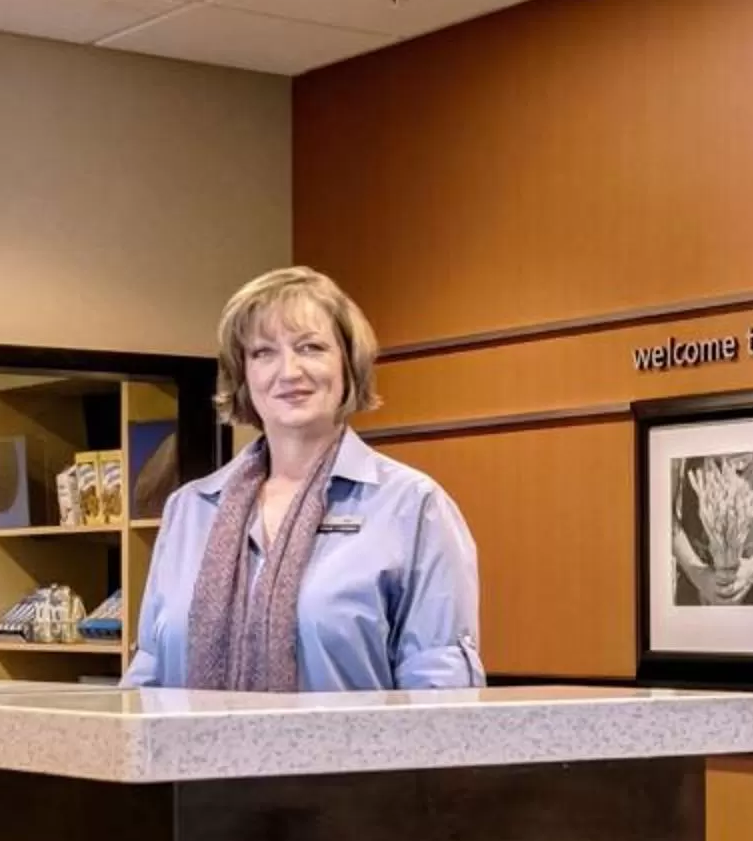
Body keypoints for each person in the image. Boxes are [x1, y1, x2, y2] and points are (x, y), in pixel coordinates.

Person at [123, 267, 484, 691]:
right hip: (192, 758)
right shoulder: (190, 509)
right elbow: (147, 681)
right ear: (244, 376)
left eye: (310, 347)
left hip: (358, 759)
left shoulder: (412, 506)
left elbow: (439, 691)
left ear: (348, 365)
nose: (289, 371)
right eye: (263, 353)